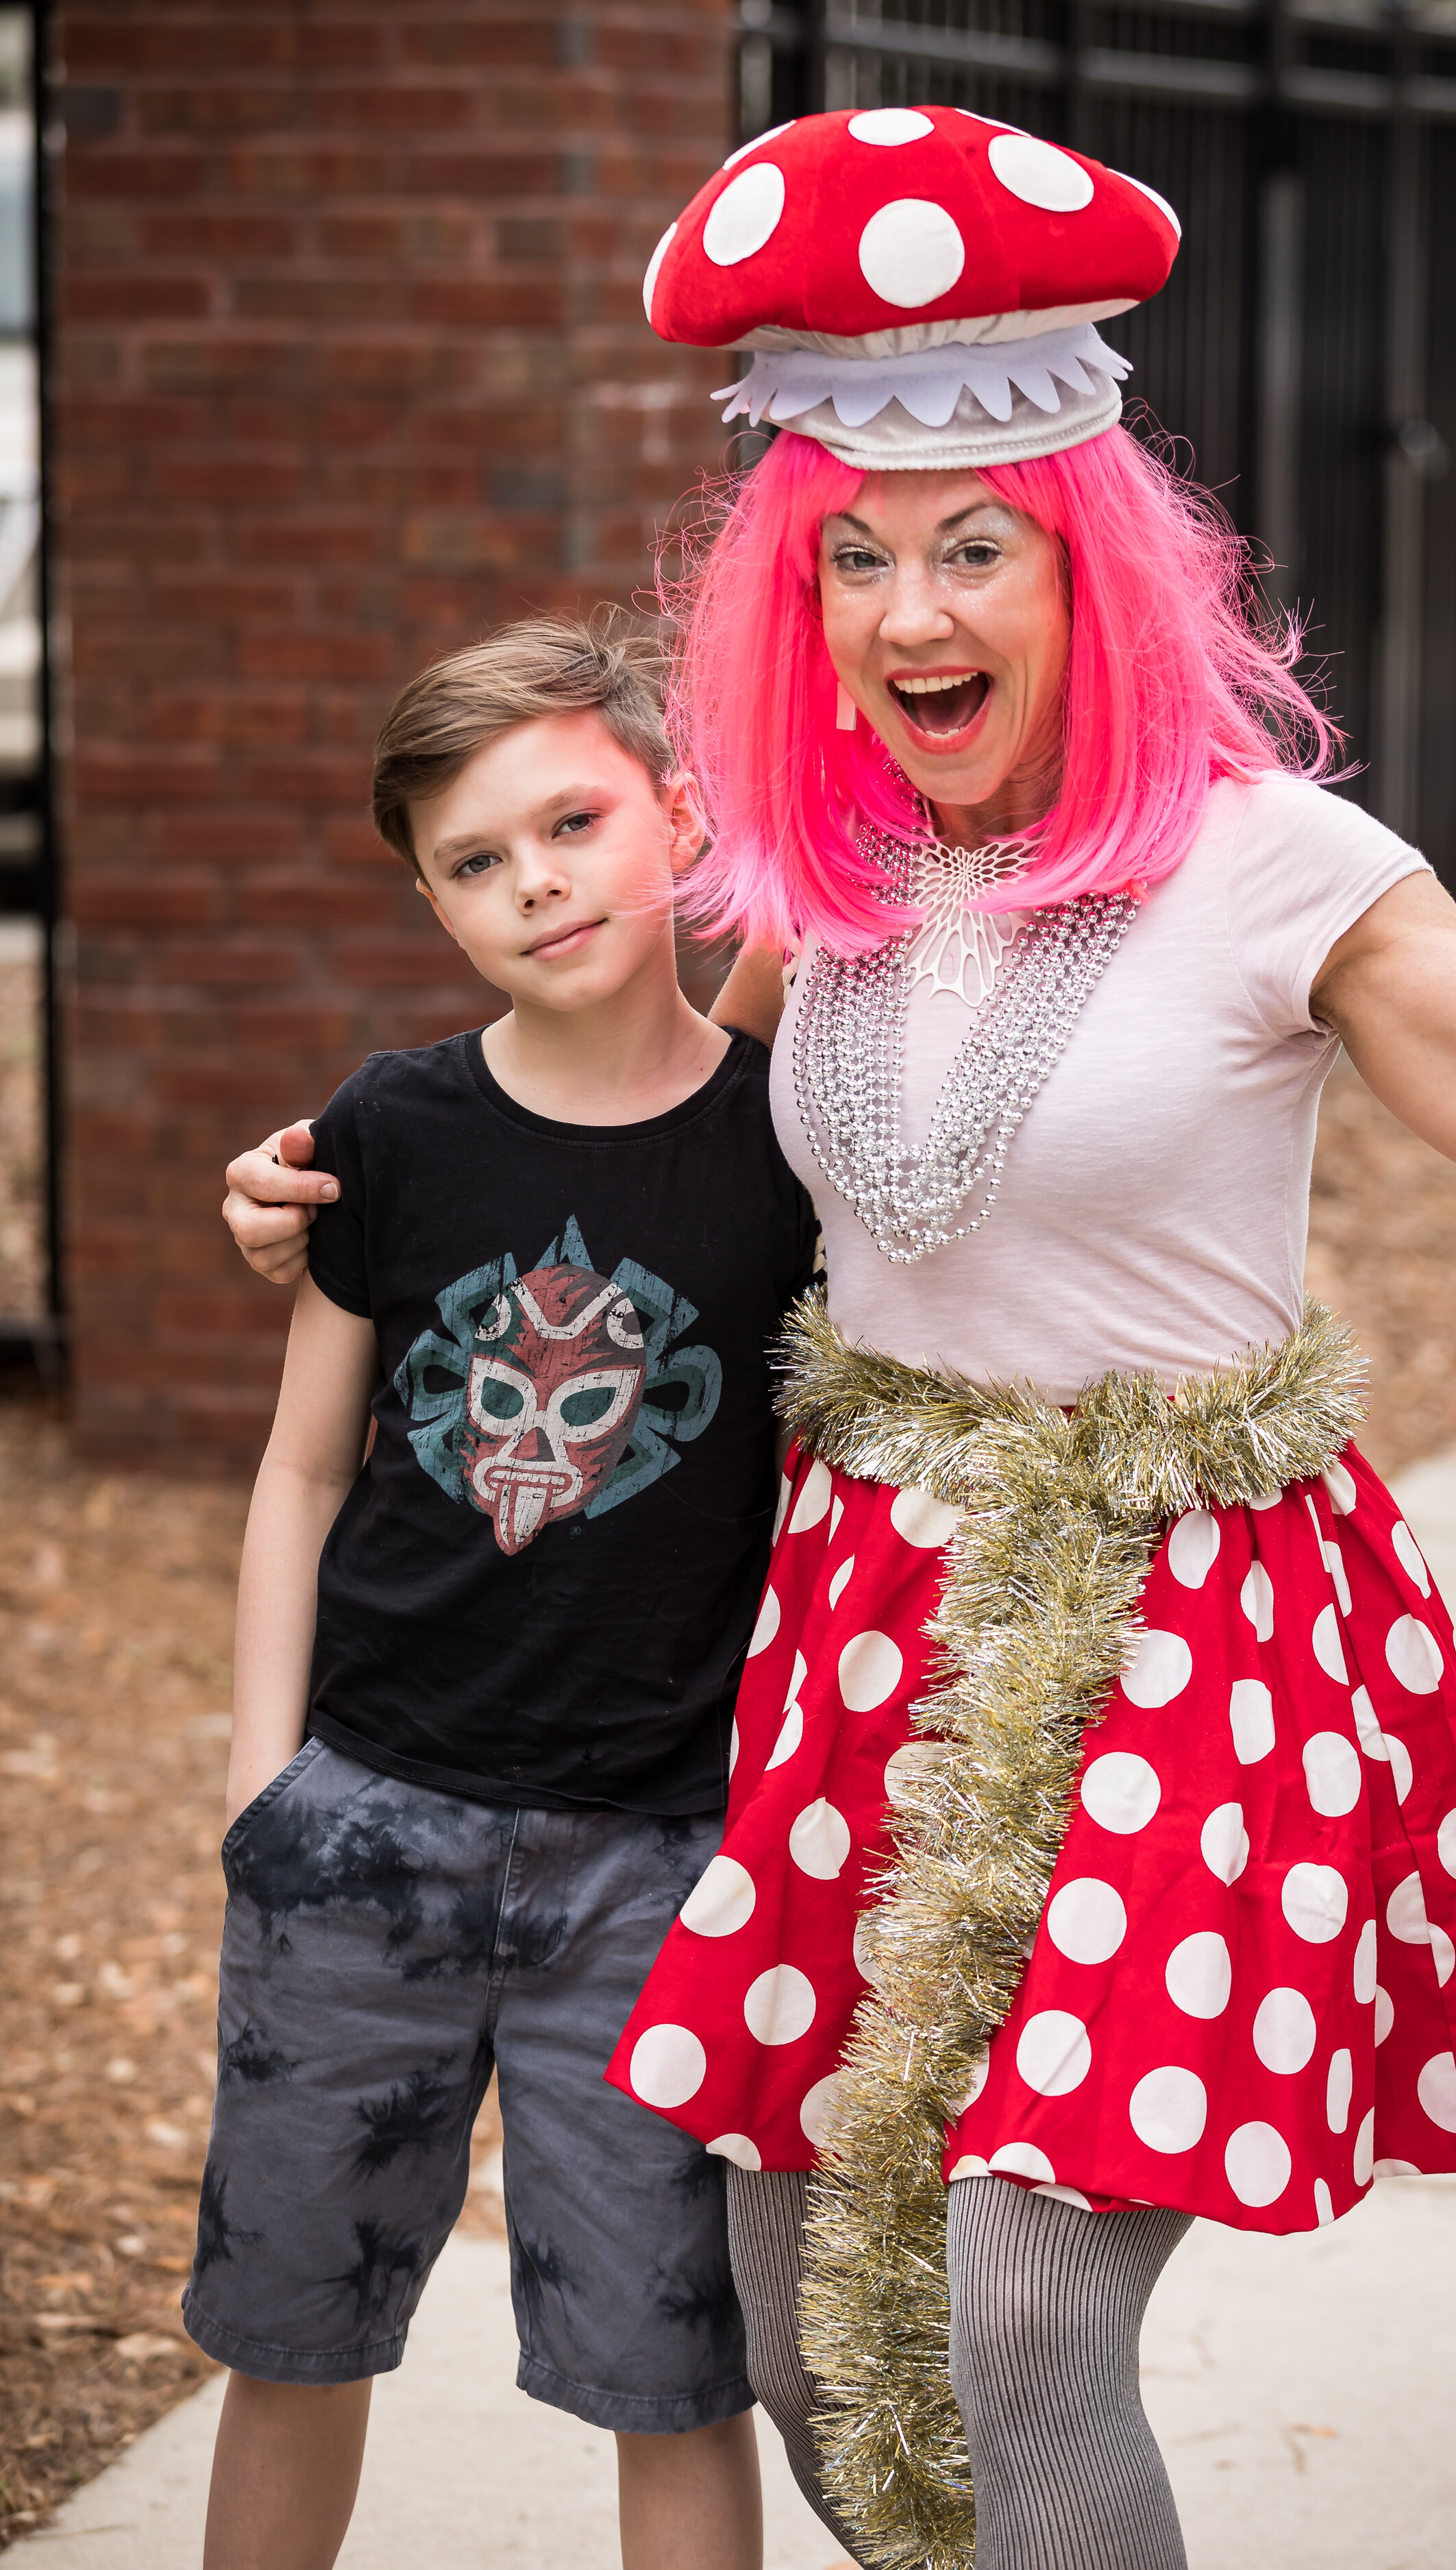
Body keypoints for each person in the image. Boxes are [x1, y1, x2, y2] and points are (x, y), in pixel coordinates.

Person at [223, 111, 1456, 2570]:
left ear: (1089, 569)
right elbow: (644, 1169)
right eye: (852, 559)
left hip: (1180, 1636)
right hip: (867, 1643)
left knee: (1019, 2307)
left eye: (977, 547)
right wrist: (326, 1203)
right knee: (801, 2309)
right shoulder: (825, 888)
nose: (915, 610)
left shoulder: (1285, 875)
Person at [193, 617, 819, 2570]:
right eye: (475, 860)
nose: (534, 880)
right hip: (363, 1824)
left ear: (679, 815)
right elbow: (304, 1472)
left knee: (670, 2373)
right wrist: (260, 1788)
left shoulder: (788, 1151)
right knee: (293, 2337)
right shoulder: (391, 1131)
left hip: (652, 1867)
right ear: (429, 898)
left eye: (572, 822)